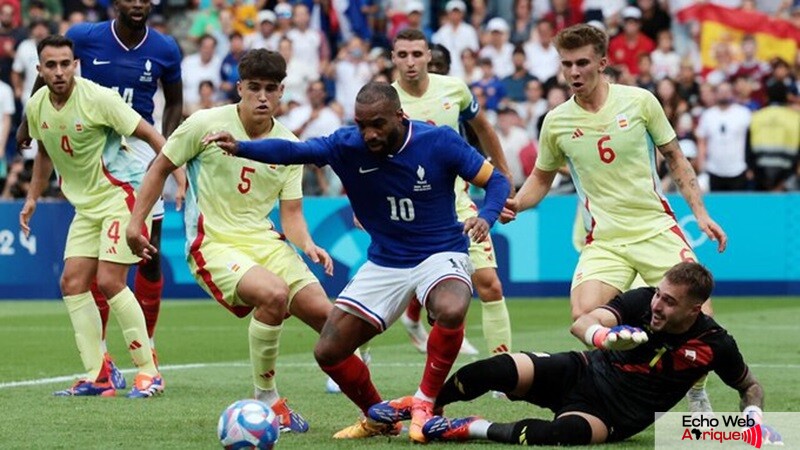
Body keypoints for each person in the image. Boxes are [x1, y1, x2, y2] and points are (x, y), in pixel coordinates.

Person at [202, 82, 511, 443]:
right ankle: (379, 416)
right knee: (329, 351)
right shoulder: (346, 144)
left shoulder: (439, 141)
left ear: (400, 116)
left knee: (452, 306)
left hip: (440, 252)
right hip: (386, 261)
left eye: (378, 124)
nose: (369, 134)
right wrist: (241, 148)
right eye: (362, 124)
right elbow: (292, 151)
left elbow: (498, 182)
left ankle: (425, 402)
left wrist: (486, 217)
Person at [502, 24, 727, 413]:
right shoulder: (556, 121)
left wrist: (701, 214)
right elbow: (541, 178)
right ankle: (623, 374)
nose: (573, 72)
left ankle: (695, 390)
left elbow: (675, 158)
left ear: (602, 63)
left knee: (699, 314)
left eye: (582, 63)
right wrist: (517, 204)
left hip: (654, 227)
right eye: (567, 64)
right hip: (605, 239)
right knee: (583, 315)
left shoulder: (640, 102)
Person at [125, 49, 333, 433]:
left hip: (264, 241)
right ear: (239, 87)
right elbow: (160, 168)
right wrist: (136, 223)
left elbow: (291, 215)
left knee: (335, 324)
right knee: (273, 294)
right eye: (254, 88)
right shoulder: (204, 123)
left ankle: (374, 412)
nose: (262, 97)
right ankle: (267, 398)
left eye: (271, 89)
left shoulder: (288, 145)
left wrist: (308, 244)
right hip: (213, 241)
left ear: (282, 92)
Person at [420, 262, 782, 446]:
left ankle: (471, 428)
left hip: (614, 416)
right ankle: (424, 408)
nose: (657, 305)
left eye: (670, 302)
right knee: (496, 369)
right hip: (581, 371)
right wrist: (604, 338)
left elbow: (750, 385)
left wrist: (751, 417)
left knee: (563, 434)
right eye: (659, 294)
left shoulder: (715, 343)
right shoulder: (642, 300)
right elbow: (583, 322)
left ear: (696, 309)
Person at [17, 0, 185, 389]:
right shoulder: (38, 103)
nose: (59, 72)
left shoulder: (99, 98)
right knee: (72, 283)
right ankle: (99, 374)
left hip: (121, 193)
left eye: (65, 64)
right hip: (88, 204)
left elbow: (148, 131)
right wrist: (31, 198)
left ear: (76, 64)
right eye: (51, 66)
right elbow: (44, 152)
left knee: (111, 280)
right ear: (40, 70)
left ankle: (148, 370)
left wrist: (175, 170)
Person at [391, 28, 515, 360]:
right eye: (403, 55)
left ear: (428, 56)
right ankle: (355, 357)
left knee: (490, 284)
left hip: (458, 204)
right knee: (389, 292)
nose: (411, 62)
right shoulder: (385, 99)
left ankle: (503, 374)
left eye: (417, 54)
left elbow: (484, 128)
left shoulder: (454, 89)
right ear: (393, 58)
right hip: (407, 211)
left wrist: (503, 174)